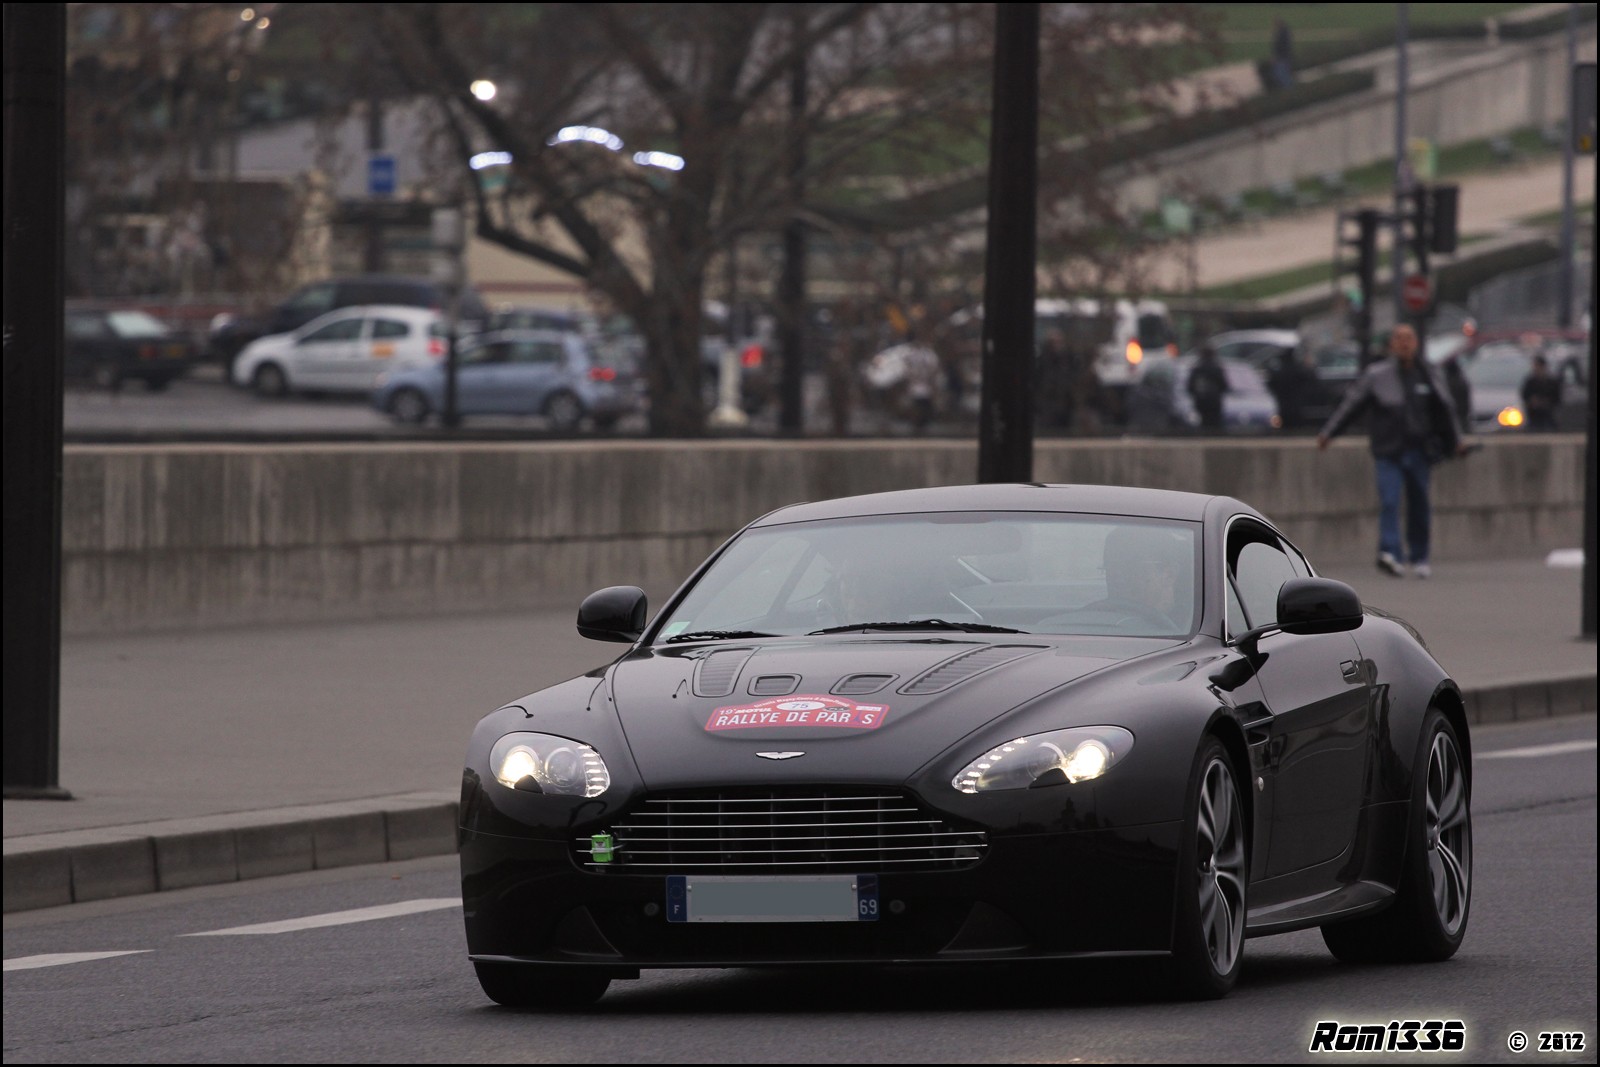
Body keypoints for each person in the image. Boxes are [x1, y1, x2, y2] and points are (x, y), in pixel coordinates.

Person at [1317, 324, 1469, 579]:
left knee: (1419, 503)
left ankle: (1420, 556)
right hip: (1389, 451)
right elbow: (1352, 406)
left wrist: (1457, 440)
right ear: (1391, 345)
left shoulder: (1428, 374)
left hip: (1420, 451)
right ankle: (1390, 553)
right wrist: (1329, 433)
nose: (1404, 343)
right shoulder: (1377, 375)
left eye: (1408, 338)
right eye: (1399, 339)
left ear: (1416, 343)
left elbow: (1446, 410)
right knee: (1389, 500)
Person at [1085, 525, 1191, 632]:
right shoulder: (1092, 622)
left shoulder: (1193, 628)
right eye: (1111, 567)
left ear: (1169, 574)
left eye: (1131, 567)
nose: (1118, 577)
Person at [1187, 344, 1229, 434]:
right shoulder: (1216, 368)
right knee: (1215, 425)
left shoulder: (1197, 368)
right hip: (1214, 401)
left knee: (1203, 424)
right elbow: (1224, 385)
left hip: (1200, 401)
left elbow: (1190, 387)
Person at [1520, 353, 1562, 432]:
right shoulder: (1530, 382)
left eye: (1538, 366)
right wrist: (1532, 401)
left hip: (1549, 417)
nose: (1536, 368)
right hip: (1533, 417)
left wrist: (1546, 402)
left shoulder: (1552, 382)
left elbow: (1557, 398)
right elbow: (1524, 396)